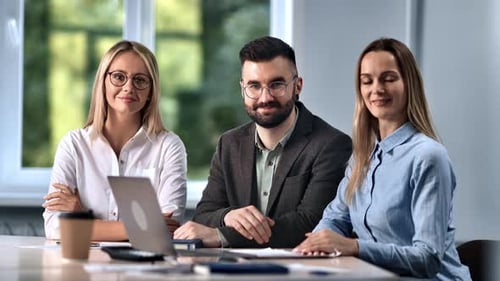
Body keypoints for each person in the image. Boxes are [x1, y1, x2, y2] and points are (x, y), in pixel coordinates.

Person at [293, 38, 471, 280]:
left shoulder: (428, 157)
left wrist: (354, 247)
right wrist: (316, 243)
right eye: (367, 81)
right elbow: (336, 217)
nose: (376, 89)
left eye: (388, 79)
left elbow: (427, 259)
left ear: (409, 84)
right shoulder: (361, 158)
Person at [173, 36, 352, 248]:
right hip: (233, 269)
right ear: (242, 89)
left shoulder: (331, 145)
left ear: (298, 86)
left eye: (276, 84)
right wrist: (228, 216)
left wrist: (222, 236)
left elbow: (310, 223)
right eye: (254, 86)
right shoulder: (229, 144)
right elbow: (204, 214)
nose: (265, 97)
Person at [42, 40, 187, 241]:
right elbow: (55, 228)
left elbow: (169, 227)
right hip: (82, 266)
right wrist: (142, 226)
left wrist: (82, 215)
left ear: (150, 91)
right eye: (119, 77)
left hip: (145, 268)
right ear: (103, 82)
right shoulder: (74, 145)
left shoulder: (169, 147)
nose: (128, 87)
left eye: (140, 80)